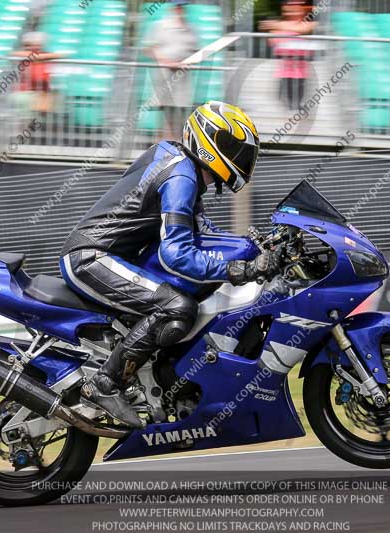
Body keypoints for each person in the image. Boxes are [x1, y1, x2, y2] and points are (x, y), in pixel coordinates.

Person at [60, 101, 280, 428]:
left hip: (107, 256)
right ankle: (106, 384)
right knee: (177, 308)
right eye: (235, 148)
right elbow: (176, 252)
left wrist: (256, 248)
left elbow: (203, 233)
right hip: (92, 257)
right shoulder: (182, 177)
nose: (243, 158)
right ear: (211, 142)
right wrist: (238, 270)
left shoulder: (181, 164)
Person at [143, 0, 198, 139]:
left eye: (182, 6)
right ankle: (162, 154)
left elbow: (195, 50)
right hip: (165, 79)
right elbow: (149, 49)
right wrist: (168, 62)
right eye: (178, 6)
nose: (180, 9)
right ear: (173, 8)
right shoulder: (160, 26)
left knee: (178, 122)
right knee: (167, 121)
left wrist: (193, 59)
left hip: (183, 83)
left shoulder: (190, 28)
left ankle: (172, 153)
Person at [259, 0, 317, 111]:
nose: (292, 11)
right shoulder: (279, 28)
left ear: (301, 10)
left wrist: (276, 25)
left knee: (297, 99)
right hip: (285, 69)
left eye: (295, 8)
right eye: (289, 9)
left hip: (300, 70)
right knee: (285, 98)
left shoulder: (306, 24)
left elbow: (305, 28)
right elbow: (273, 42)